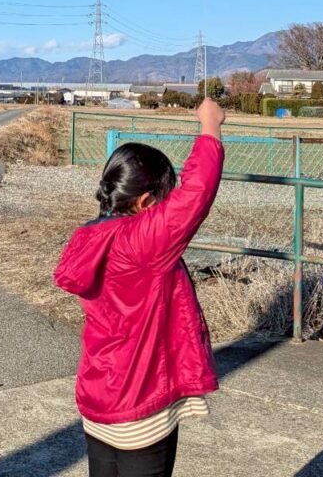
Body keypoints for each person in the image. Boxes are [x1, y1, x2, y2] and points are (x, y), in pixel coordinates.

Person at [54, 98, 225, 477]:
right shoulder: (141, 243)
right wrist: (210, 128)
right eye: (163, 200)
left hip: (99, 396)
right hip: (141, 403)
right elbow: (196, 193)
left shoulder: (89, 237)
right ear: (146, 202)